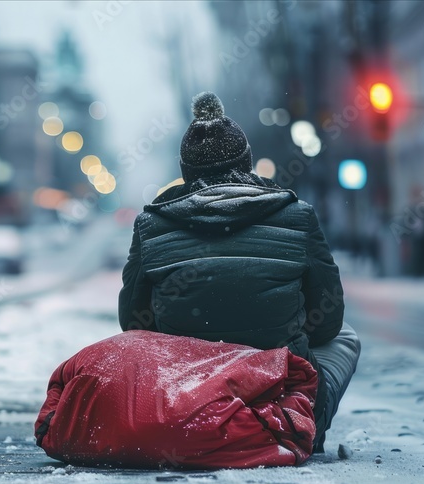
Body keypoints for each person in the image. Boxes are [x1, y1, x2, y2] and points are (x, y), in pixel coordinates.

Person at [118, 92, 360, 452]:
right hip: (279, 393)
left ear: (186, 171)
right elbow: (328, 322)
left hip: (189, 403)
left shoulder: (151, 225)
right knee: (346, 337)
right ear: (247, 162)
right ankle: (301, 426)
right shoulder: (297, 215)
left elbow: (134, 325)